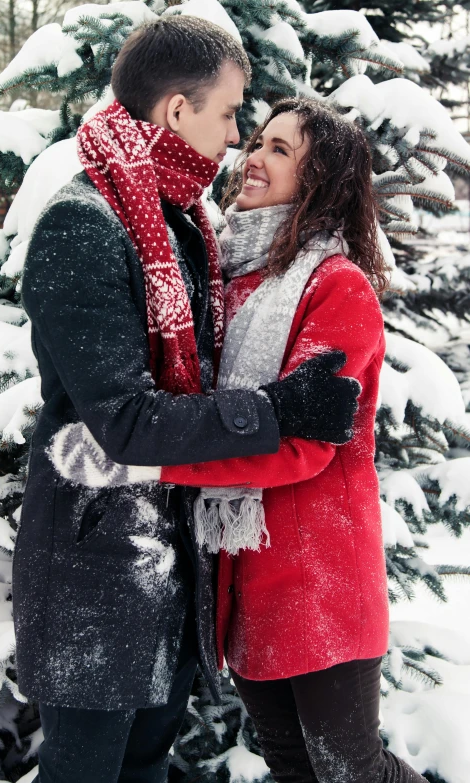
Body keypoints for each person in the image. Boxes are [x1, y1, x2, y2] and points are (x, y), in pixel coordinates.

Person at [16, 18, 360, 783]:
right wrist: (277, 412)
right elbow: (126, 421)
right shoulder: (85, 226)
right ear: (177, 112)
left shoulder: (179, 224)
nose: (237, 138)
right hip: (96, 578)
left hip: (171, 572)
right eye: (232, 113)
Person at [161, 99, 429, 782]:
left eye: (281, 150)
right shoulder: (227, 277)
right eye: (257, 140)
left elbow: (302, 441)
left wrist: (153, 457)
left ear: (321, 181)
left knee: (349, 770)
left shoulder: (336, 286)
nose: (252, 156)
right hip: (246, 577)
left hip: (320, 578)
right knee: (289, 762)